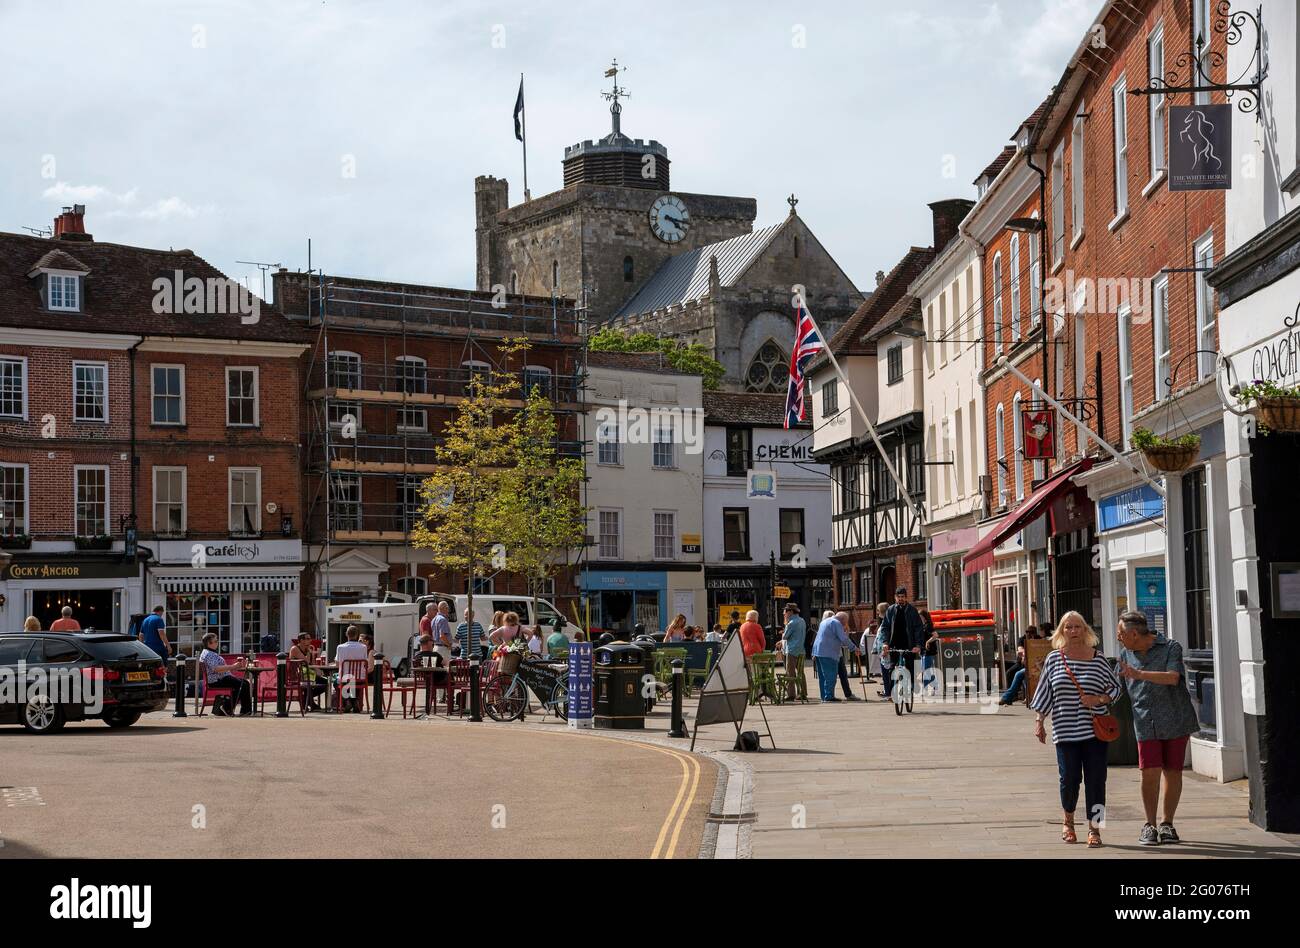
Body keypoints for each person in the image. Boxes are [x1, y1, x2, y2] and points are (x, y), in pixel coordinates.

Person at [1029, 611, 1123, 849]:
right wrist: (1039, 721)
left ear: (1085, 630)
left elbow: (1115, 689)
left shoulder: (1098, 659)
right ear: (1062, 631)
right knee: (1069, 779)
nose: (1073, 631)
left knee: (1097, 781)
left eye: (1077, 627)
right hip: (1065, 731)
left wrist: (1099, 699)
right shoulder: (1053, 659)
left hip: (1095, 732)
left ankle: (1096, 828)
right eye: (1068, 627)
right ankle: (1068, 821)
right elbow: (1044, 693)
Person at [1116, 611, 1201, 846]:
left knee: (1173, 771)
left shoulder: (1171, 647)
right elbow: (1117, 688)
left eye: (1121, 633)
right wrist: (1098, 701)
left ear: (1134, 633)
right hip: (1145, 721)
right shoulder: (1125, 653)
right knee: (1149, 771)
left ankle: (1167, 824)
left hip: (1175, 718)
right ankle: (1149, 825)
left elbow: (1173, 678)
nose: (1118, 637)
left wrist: (1139, 674)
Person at [880, 587, 923, 699]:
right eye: (898, 597)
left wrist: (918, 645)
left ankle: (911, 687)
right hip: (894, 644)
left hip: (909, 644)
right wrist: (885, 642)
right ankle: (891, 693)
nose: (900, 599)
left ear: (906, 597)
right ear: (895, 598)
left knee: (910, 666)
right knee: (892, 668)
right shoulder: (891, 610)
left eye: (902, 597)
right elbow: (885, 627)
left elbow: (918, 628)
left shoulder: (912, 610)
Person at [198, 632, 253, 716]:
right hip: (217, 680)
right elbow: (216, 669)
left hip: (220, 678)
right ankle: (232, 708)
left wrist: (234, 667)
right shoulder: (208, 654)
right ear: (209, 643)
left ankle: (235, 709)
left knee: (244, 683)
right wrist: (233, 667)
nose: (217, 643)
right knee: (243, 685)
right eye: (215, 641)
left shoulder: (209, 652)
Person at [812, 611, 858, 703]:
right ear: (843, 620)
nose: (846, 623)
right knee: (830, 675)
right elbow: (843, 638)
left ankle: (824, 696)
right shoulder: (836, 623)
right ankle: (829, 696)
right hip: (828, 652)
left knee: (822, 676)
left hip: (818, 651)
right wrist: (854, 648)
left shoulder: (825, 621)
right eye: (846, 621)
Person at [334, 625, 370, 712]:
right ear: (357, 635)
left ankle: (347, 700)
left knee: (335, 682)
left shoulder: (340, 647)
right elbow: (365, 662)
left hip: (345, 677)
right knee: (352, 681)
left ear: (346, 634)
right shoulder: (363, 647)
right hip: (360, 677)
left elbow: (337, 664)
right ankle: (354, 702)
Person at [288, 632, 327, 710]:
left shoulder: (307, 649)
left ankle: (306, 699)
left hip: (307, 674)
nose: (310, 640)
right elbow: (306, 661)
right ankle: (309, 701)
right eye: (308, 639)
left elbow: (311, 664)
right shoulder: (295, 649)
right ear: (301, 640)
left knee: (325, 682)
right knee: (310, 682)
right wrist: (309, 652)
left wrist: (320, 671)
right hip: (297, 675)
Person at [781, 603, 807, 702]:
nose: (784, 614)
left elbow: (785, 636)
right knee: (801, 672)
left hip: (791, 650)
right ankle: (803, 693)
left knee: (790, 673)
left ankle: (791, 694)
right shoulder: (802, 620)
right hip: (801, 650)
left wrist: (785, 626)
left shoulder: (791, 623)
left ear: (791, 612)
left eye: (785, 612)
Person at [919, 608, 939, 697]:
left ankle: (925, 689)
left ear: (924, 617)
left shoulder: (928, 626)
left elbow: (935, 635)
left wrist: (928, 642)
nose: (919, 618)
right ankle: (935, 685)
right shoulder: (922, 626)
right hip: (923, 651)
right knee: (926, 671)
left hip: (929, 651)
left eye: (920, 617)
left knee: (925, 670)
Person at [430, 601, 454, 667]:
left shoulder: (434, 619)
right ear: (443, 608)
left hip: (435, 647)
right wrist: (449, 645)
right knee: (445, 669)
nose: (448, 610)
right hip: (443, 649)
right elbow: (442, 636)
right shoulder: (443, 619)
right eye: (447, 608)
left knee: (436, 669)